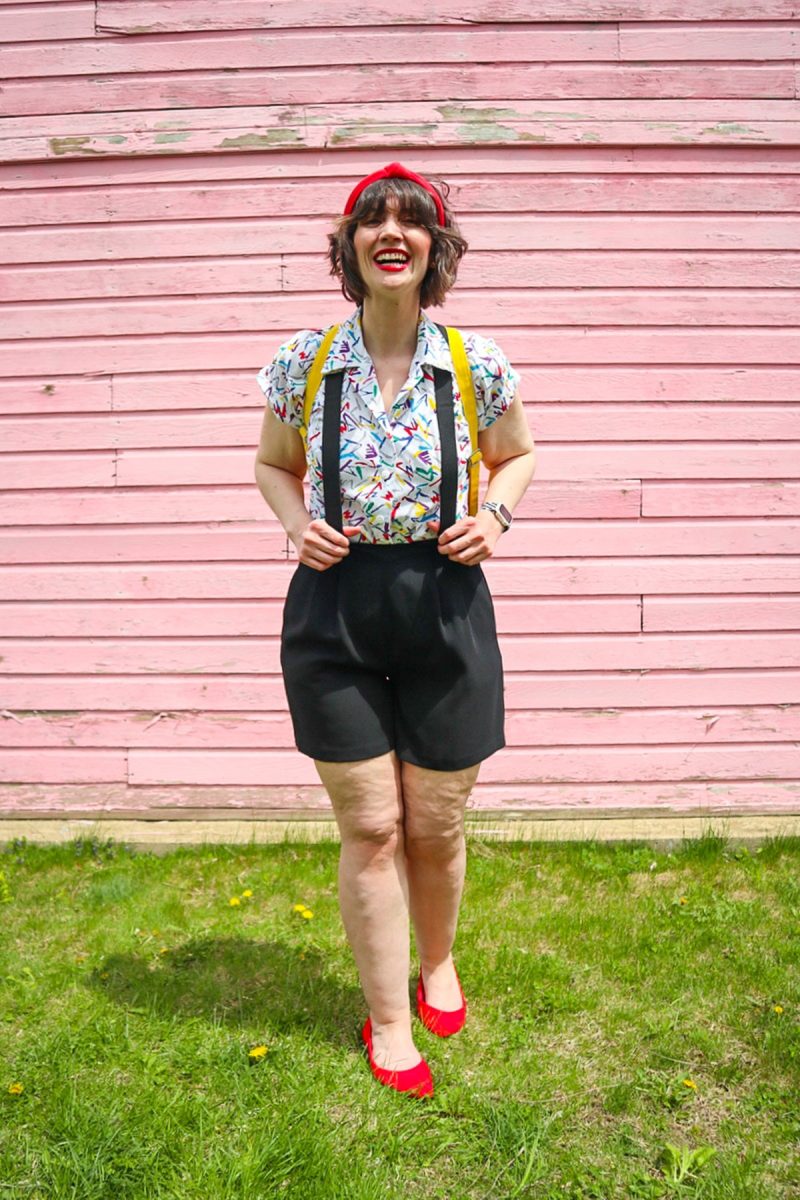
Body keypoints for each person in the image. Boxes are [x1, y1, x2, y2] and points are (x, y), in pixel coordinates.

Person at [253, 162, 535, 1098]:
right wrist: (298, 527)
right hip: (335, 608)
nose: (390, 232)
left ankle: (439, 963)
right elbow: (272, 466)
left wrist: (494, 518)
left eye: (410, 222)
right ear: (350, 247)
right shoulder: (304, 362)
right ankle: (385, 1021)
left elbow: (519, 455)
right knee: (372, 825)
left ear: (433, 249)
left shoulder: (474, 363)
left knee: (438, 821)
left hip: (445, 601)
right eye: (372, 219)